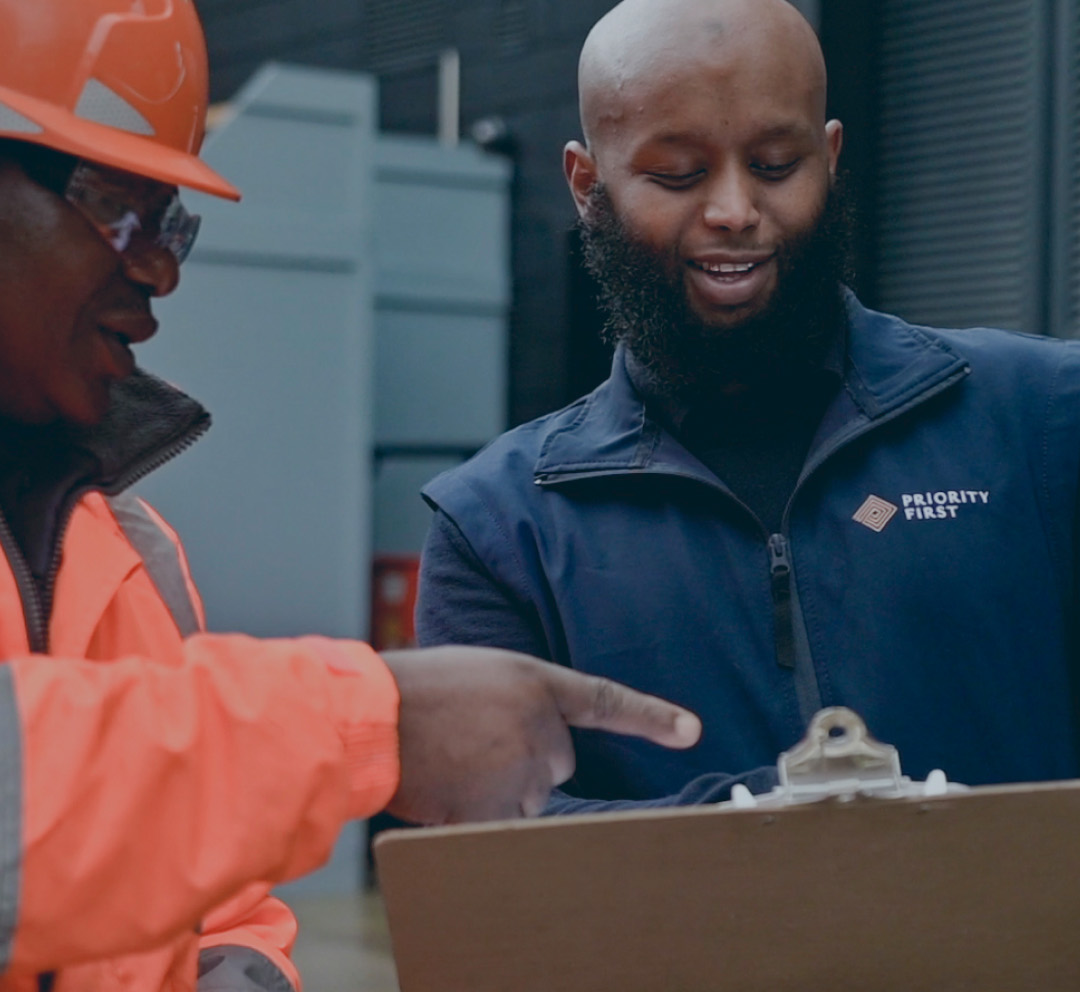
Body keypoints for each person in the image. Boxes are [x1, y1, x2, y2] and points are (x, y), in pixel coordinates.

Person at [415, 0, 1080, 989]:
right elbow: (476, 847)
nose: (733, 209)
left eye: (777, 164)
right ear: (587, 186)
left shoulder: (1032, 419)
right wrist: (787, 827)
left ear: (831, 157)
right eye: (677, 174)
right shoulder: (499, 521)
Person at [0, 3, 702, 990]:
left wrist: (241, 969)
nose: (157, 268)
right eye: (115, 206)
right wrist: (369, 722)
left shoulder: (123, 550)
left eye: (169, 223)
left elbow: (214, 898)